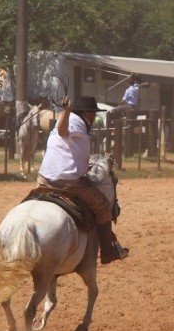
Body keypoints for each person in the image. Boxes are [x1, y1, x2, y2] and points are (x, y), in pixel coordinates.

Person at [38, 95, 128, 264]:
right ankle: (108, 251)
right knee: (102, 205)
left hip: (44, 178)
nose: (94, 117)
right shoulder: (74, 121)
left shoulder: (70, 120)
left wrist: (82, 166)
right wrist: (66, 109)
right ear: (87, 113)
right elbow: (63, 132)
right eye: (93, 113)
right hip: (67, 181)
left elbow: (65, 147)